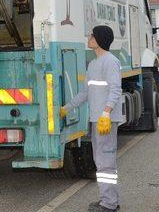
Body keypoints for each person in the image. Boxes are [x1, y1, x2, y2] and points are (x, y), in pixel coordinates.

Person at [60, 26, 122, 212]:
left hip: (106, 120)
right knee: (101, 159)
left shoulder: (111, 62)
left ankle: (109, 204)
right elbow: (85, 93)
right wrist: (67, 108)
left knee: (105, 161)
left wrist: (106, 113)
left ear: (100, 39)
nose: (89, 37)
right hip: (98, 119)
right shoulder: (94, 64)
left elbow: (115, 89)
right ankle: (109, 200)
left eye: (92, 35)